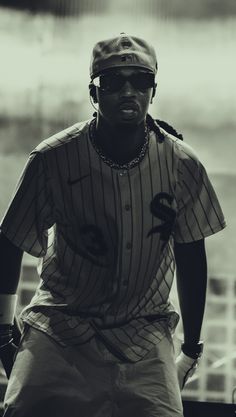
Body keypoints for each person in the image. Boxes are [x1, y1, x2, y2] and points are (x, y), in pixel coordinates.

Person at [0, 33, 226, 417]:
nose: (127, 90)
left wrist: (191, 348)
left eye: (139, 80)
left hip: (144, 332)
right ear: (94, 91)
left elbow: (191, 253)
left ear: (153, 91)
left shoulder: (182, 164)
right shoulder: (53, 158)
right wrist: (4, 332)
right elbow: (9, 241)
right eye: (112, 80)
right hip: (63, 329)